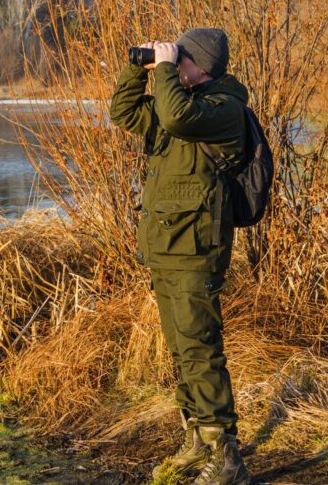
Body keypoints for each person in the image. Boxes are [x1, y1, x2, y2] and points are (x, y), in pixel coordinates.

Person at [108, 28, 252, 485]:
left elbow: (173, 118)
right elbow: (124, 111)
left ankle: (227, 459)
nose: (173, 64)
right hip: (166, 250)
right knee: (180, 352)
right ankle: (196, 439)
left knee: (201, 351)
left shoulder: (223, 109)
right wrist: (139, 67)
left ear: (201, 66)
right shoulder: (180, 102)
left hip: (196, 251)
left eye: (182, 58)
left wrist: (166, 69)